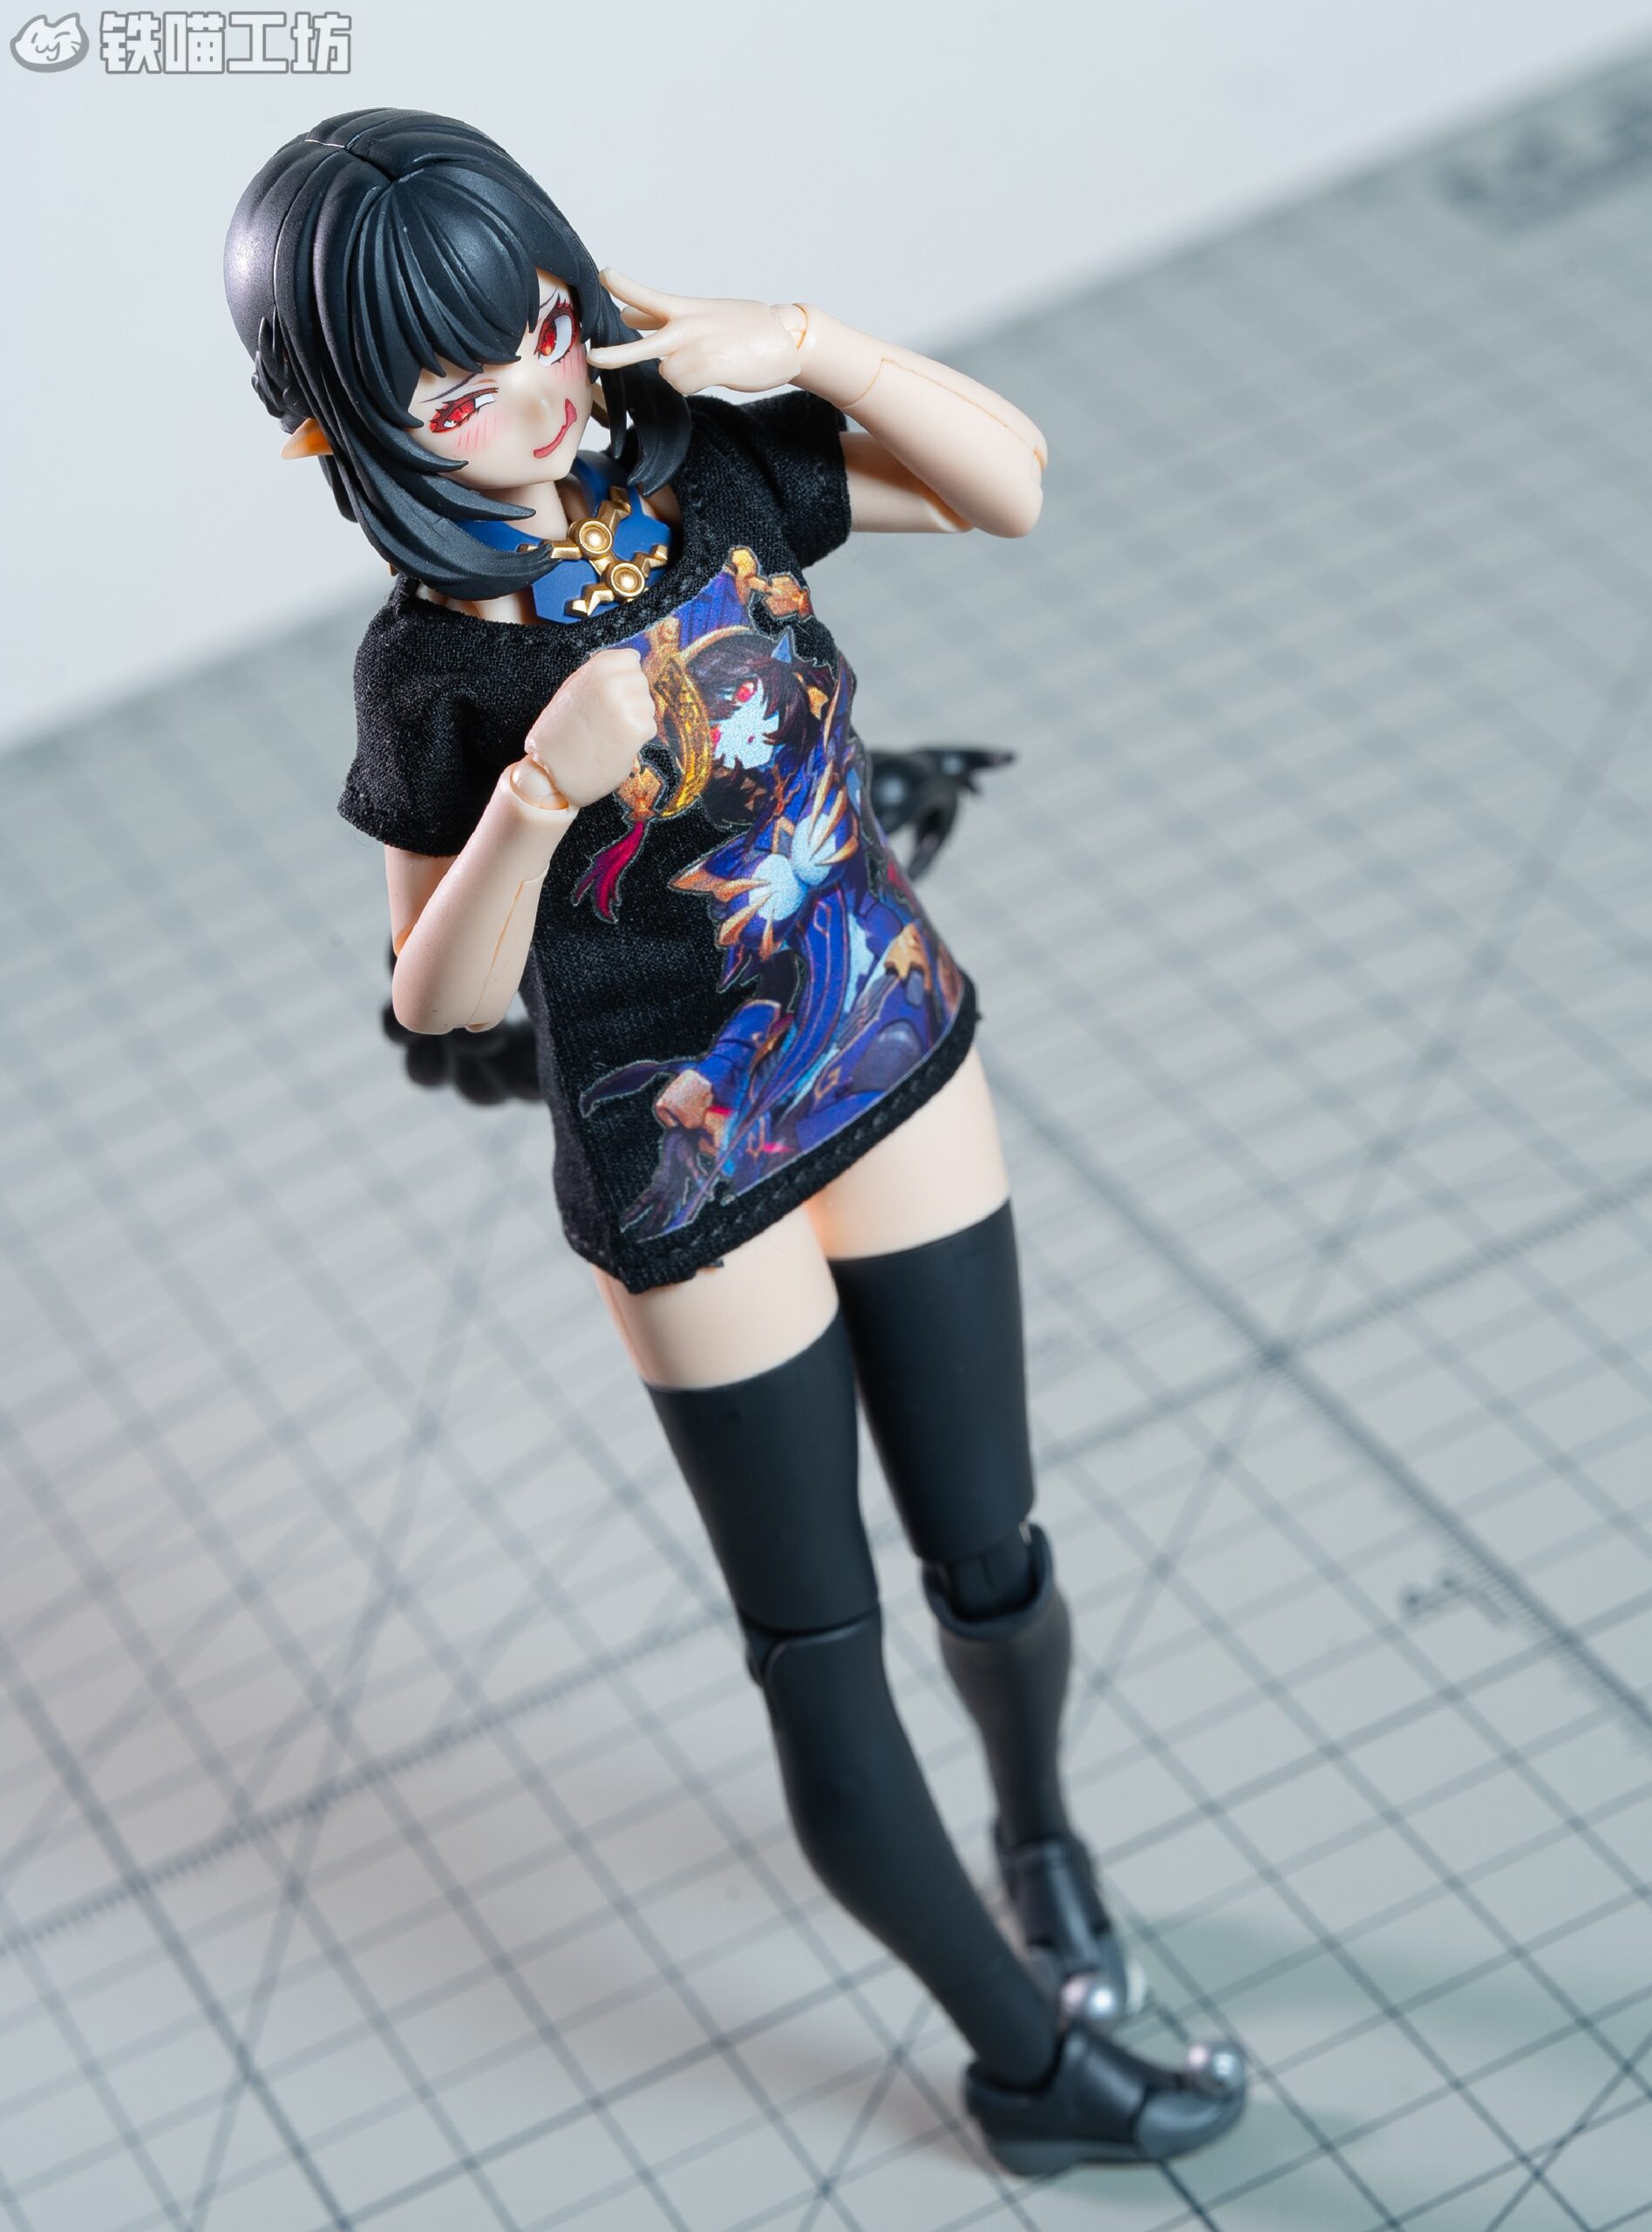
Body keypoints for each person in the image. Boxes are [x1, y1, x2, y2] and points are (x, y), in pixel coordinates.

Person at [225, 106, 1247, 2174]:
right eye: (456, 388)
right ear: (349, 430)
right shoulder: (431, 668)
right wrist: (537, 792)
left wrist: (803, 341)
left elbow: (1010, 482)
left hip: (885, 1039)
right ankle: (1027, 2064)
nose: (531, 393)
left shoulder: (701, 473)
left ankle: (1043, 1841)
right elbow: (435, 997)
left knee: (993, 1552)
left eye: (539, 324)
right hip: (682, 1159)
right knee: (822, 1651)